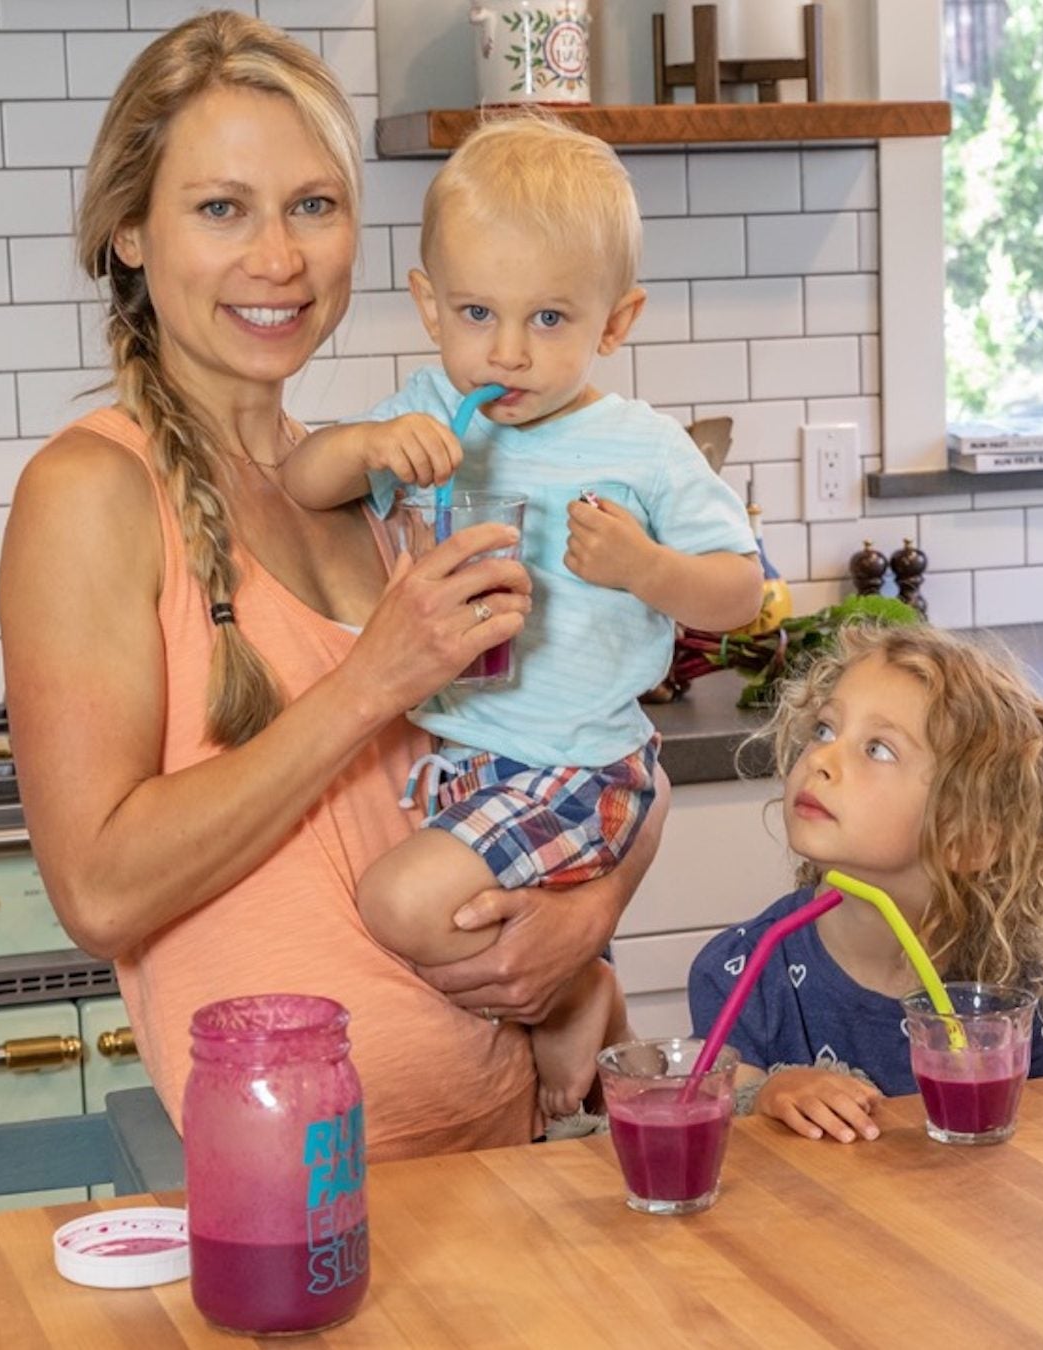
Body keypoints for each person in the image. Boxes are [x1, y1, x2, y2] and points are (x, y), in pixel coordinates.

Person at [0, 13, 663, 1160]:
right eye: (222, 209)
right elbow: (100, 891)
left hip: (514, 1142)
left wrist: (586, 930)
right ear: (128, 233)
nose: (279, 258)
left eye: (314, 205)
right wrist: (372, 680)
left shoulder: (377, 483)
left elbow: (583, 751)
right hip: (306, 1182)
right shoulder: (90, 491)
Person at [280, 117, 763, 1116]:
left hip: (578, 765)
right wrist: (370, 443)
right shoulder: (425, 410)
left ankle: (570, 994)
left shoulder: (645, 449)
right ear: (427, 305)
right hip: (459, 756)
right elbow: (300, 479)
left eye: (549, 319)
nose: (507, 351)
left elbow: (741, 592)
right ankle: (574, 998)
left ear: (614, 323)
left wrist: (647, 566)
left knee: (398, 902)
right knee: (413, 913)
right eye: (476, 313)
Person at [687, 624, 1043, 1143]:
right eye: (825, 730)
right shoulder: (742, 972)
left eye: (877, 749)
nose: (821, 760)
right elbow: (716, 1107)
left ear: (967, 838)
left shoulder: (1009, 996)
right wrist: (767, 1092)